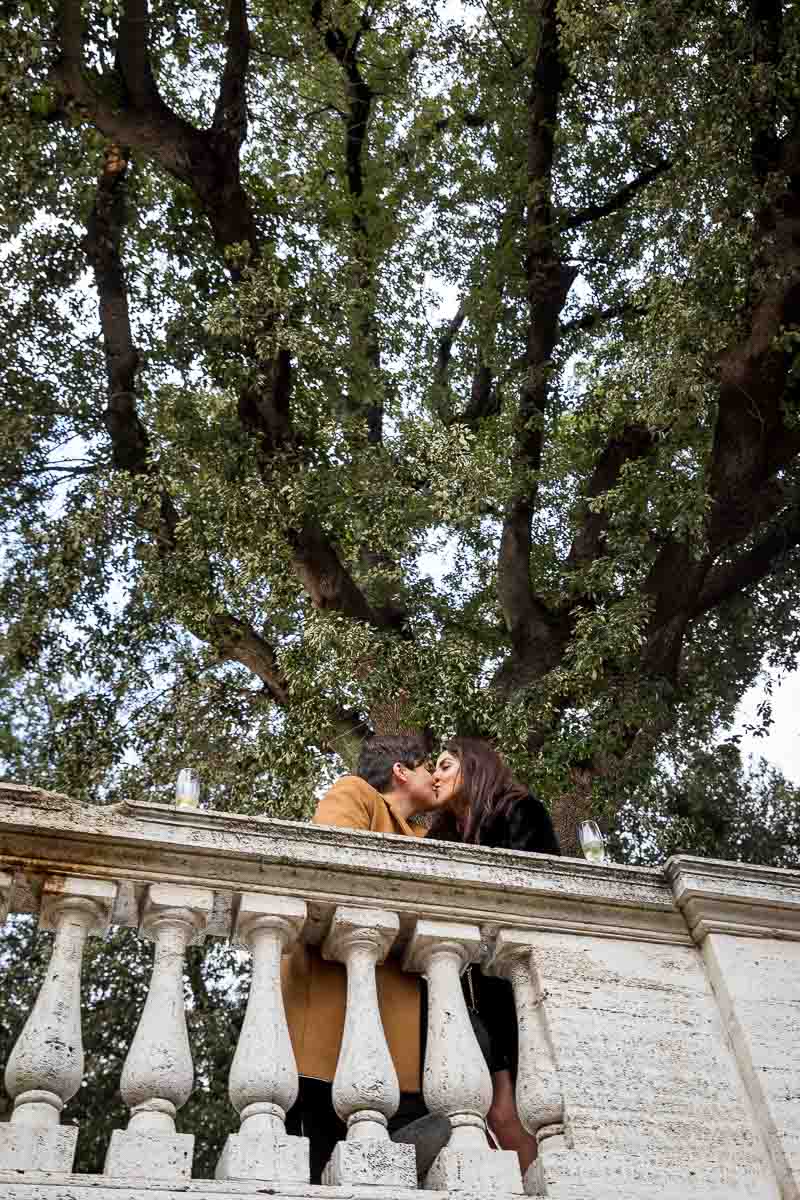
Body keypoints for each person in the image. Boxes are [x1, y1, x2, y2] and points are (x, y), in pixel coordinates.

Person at [283, 734, 447, 1183]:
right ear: (401, 770)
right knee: (323, 1162)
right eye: (428, 767)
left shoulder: (424, 834)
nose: (436, 777)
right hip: (329, 1025)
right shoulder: (354, 792)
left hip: (396, 1034)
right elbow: (335, 865)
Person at [429, 737, 560, 1175]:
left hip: (521, 986)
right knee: (496, 1114)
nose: (436, 775)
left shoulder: (520, 811)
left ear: (475, 766)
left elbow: (538, 895)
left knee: (521, 1109)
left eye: (446, 765)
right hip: (476, 994)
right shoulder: (447, 834)